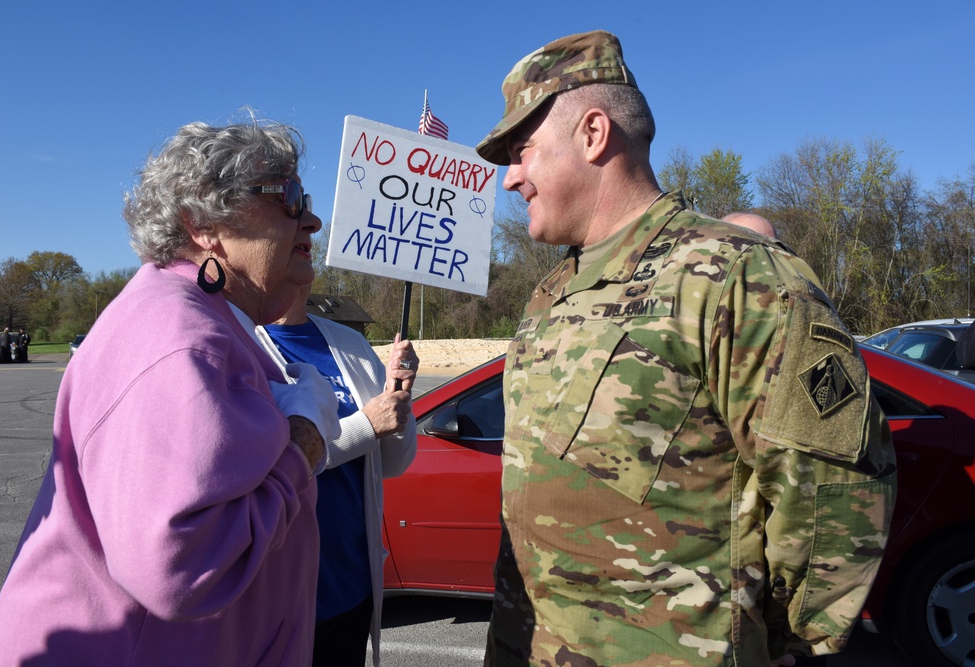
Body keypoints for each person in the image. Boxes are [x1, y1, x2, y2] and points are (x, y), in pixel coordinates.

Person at [475, 30, 896, 667]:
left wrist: (773, 646)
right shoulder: (549, 294)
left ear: (593, 135)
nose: (510, 179)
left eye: (522, 151)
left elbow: (833, 494)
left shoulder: (740, 280)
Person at [0, 116, 341, 666]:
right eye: (288, 197)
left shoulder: (205, 320)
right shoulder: (181, 338)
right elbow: (179, 568)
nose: (310, 218)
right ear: (204, 226)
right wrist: (304, 443)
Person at [256, 284, 418, 666]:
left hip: (350, 586)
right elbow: (269, 461)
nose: (306, 231)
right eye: (291, 228)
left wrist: (398, 404)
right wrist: (366, 424)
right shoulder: (242, 341)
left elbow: (392, 464)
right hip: (277, 598)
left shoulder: (349, 343)